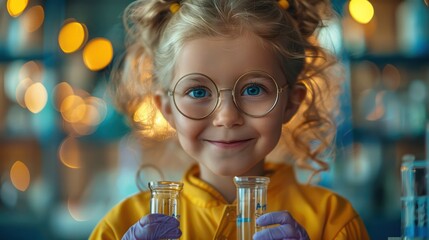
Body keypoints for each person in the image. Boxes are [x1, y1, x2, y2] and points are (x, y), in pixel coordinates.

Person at [90, 0, 370, 239]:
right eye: (198, 91)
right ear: (168, 109)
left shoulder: (333, 222)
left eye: (253, 89)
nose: (227, 116)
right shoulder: (119, 227)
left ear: (291, 102)